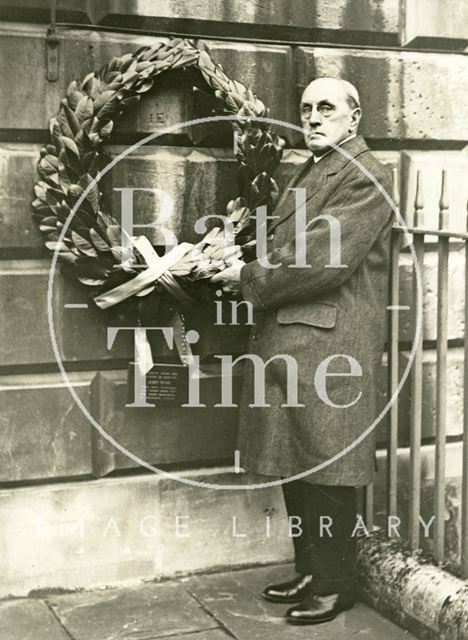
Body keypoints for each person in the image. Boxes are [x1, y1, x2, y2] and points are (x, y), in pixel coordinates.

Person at [211, 77, 393, 625]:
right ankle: (312, 568)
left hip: (333, 341)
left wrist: (246, 276)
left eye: (327, 109)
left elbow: (321, 258)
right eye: (307, 108)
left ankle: (337, 584)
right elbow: (285, 248)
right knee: (298, 459)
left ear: (354, 119)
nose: (313, 117)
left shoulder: (366, 175)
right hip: (296, 338)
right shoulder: (312, 170)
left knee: (331, 462)